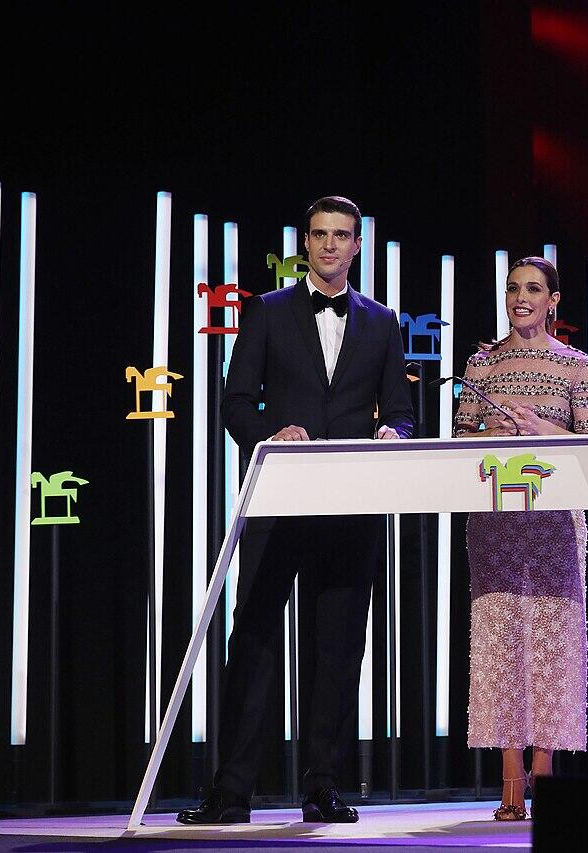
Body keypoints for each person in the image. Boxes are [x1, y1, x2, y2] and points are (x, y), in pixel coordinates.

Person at [178, 196, 414, 825]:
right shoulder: (266, 312)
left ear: (358, 245)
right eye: (319, 235)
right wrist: (270, 433)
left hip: (350, 509)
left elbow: (399, 409)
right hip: (279, 503)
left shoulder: (383, 323)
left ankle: (322, 788)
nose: (331, 246)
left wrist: (392, 433)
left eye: (342, 236)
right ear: (304, 244)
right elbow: (235, 405)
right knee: (253, 640)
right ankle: (232, 792)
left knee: (337, 649)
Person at [452, 256, 588, 821]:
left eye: (533, 289)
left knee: (554, 643)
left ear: (553, 300)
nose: (521, 298)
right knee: (501, 642)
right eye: (513, 288)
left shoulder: (576, 366)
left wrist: (542, 430)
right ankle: (509, 785)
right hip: (495, 518)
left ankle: (546, 776)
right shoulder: (481, 364)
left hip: (555, 521)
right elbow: (459, 442)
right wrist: (488, 432)